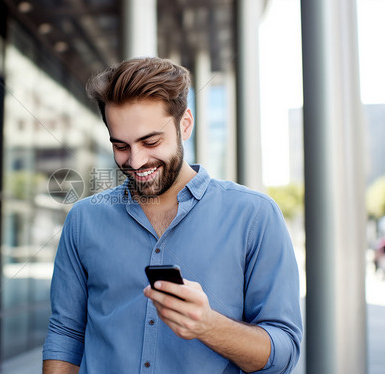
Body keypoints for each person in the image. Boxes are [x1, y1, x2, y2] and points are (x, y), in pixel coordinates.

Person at [42, 57, 302, 373]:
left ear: (185, 124)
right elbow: (65, 335)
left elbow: (283, 354)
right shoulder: (84, 220)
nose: (135, 161)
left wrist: (209, 326)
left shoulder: (255, 217)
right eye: (121, 145)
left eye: (151, 141)